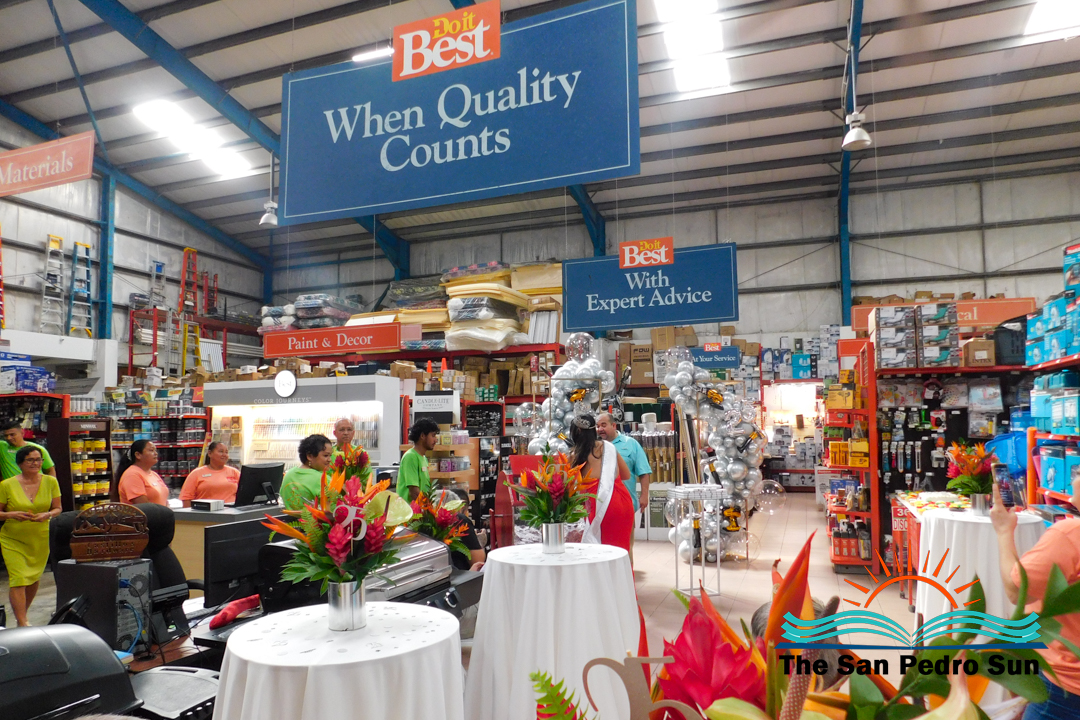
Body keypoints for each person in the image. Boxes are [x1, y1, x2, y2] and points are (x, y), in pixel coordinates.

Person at [991, 480, 1080, 719]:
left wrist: (1003, 531)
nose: (1074, 478)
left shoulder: (1070, 535)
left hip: (1066, 687)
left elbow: (1017, 591)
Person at [0, 446, 61, 626]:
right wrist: (11, 514)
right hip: (13, 538)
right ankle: (23, 622)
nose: (35, 463)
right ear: (20, 463)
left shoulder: (51, 481)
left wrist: (47, 514)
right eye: (30, 460)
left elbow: (58, 508)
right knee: (18, 578)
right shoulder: (6, 485)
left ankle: (22, 617)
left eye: (38, 459)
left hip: (40, 537)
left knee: (33, 578)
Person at [569, 414, 634, 553]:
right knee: (621, 551)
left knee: (600, 552)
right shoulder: (609, 447)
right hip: (622, 503)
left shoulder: (575, 456)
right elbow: (626, 475)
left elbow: (570, 488)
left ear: (577, 431)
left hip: (598, 505)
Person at [596, 412, 652, 563]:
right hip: (600, 505)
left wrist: (644, 495)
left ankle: (627, 572)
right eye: (597, 426)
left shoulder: (631, 444)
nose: (600, 429)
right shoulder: (596, 447)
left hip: (624, 505)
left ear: (613, 425)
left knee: (625, 545)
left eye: (603, 425)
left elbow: (644, 472)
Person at [281, 434, 333, 511]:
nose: (329, 460)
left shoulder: (289, 475)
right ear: (310, 456)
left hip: (290, 519)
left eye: (330, 456)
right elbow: (335, 509)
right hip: (314, 519)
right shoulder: (322, 479)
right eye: (326, 455)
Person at [179, 442, 240, 507]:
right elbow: (186, 498)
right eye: (221, 451)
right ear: (210, 453)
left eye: (226, 452)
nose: (224, 455)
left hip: (231, 511)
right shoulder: (196, 474)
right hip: (205, 512)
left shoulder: (235, 472)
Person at [116, 440, 170, 506]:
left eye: (155, 450)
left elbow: (164, 500)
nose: (156, 453)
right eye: (151, 450)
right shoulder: (132, 475)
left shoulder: (154, 474)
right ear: (138, 455)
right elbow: (144, 506)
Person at [398, 418, 438, 501]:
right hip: (410, 508)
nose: (436, 440)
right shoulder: (411, 457)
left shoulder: (423, 458)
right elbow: (414, 492)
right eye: (433, 435)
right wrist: (426, 507)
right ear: (422, 436)